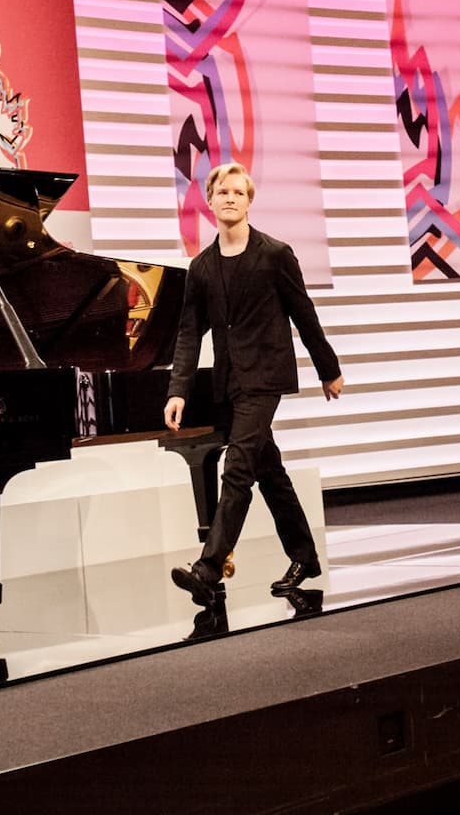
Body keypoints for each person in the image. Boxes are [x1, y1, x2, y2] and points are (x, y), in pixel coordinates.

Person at [165, 162, 345, 606]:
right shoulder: (201, 267)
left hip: (265, 376)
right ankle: (304, 556)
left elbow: (304, 313)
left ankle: (208, 567)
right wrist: (178, 389)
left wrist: (328, 369)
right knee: (269, 471)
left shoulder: (274, 254)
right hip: (229, 381)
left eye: (238, 193)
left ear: (249, 201)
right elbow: (189, 332)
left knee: (239, 468)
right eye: (222, 191)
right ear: (209, 201)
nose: (229, 198)